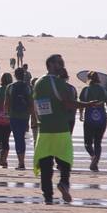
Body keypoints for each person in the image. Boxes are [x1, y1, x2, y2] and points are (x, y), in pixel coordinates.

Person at [31, 53, 79, 204]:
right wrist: (87, 105)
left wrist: (35, 121)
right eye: (59, 63)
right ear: (50, 64)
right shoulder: (59, 84)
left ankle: (48, 197)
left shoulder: (38, 83)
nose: (62, 66)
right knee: (65, 162)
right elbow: (68, 104)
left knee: (46, 166)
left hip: (44, 130)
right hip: (60, 129)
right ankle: (63, 183)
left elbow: (36, 106)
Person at [78, 71, 107, 171]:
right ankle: (95, 162)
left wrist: (81, 114)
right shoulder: (103, 90)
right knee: (98, 142)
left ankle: (93, 156)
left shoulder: (86, 90)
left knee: (87, 143)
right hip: (102, 118)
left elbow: (82, 103)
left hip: (89, 118)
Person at [6, 67, 33, 170]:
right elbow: (31, 103)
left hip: (13, 116)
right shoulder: (28, 87)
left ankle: (20, 162)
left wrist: (6, 114)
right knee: (22, 138)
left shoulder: (10, 87)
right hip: (24, 116)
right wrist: (32, 116)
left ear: (15, 76)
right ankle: (22, 161)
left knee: (18, 138)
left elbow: (6, 103)